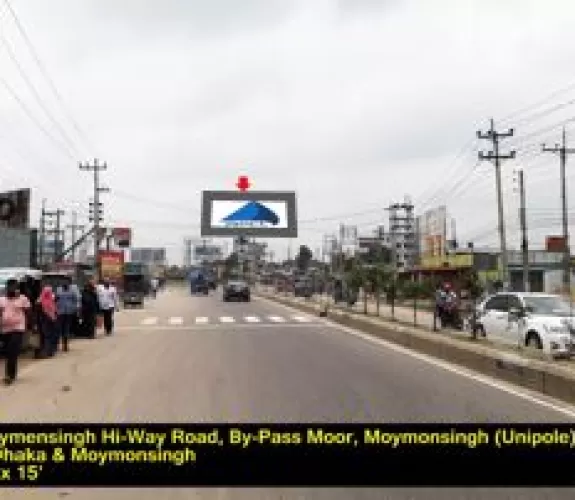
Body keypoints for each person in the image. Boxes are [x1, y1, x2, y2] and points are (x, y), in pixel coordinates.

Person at [0, 278, 32, 384]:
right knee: (7, 352)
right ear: (7, 288)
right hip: (5, 329)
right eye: (10, 287)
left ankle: (9, 375)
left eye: (14, 287)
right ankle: (11, 373)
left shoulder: (22, 299)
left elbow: (28, 312)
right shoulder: (2, 300)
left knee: (12, 350)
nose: (12, 289)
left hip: (18, 328)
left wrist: (30, 326)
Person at [55, 282, 79, 352]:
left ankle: (65, 345)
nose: (65, 285)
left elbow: (75, 300)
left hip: (69, 312)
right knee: (59, 329)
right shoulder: (58, 290)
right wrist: (56, 308)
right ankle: (57, 345)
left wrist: (74, 308)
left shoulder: (72, 290)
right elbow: (56, 299)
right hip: (60, 312)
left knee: (66, 329)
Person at [38, 286, 58, 357]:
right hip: (50, 319)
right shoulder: (52, 299)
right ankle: (49, 351)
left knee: (46, 335)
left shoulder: (40, 300)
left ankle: (47, 351)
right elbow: (55, 310)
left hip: (45, 319)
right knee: (49, 335)